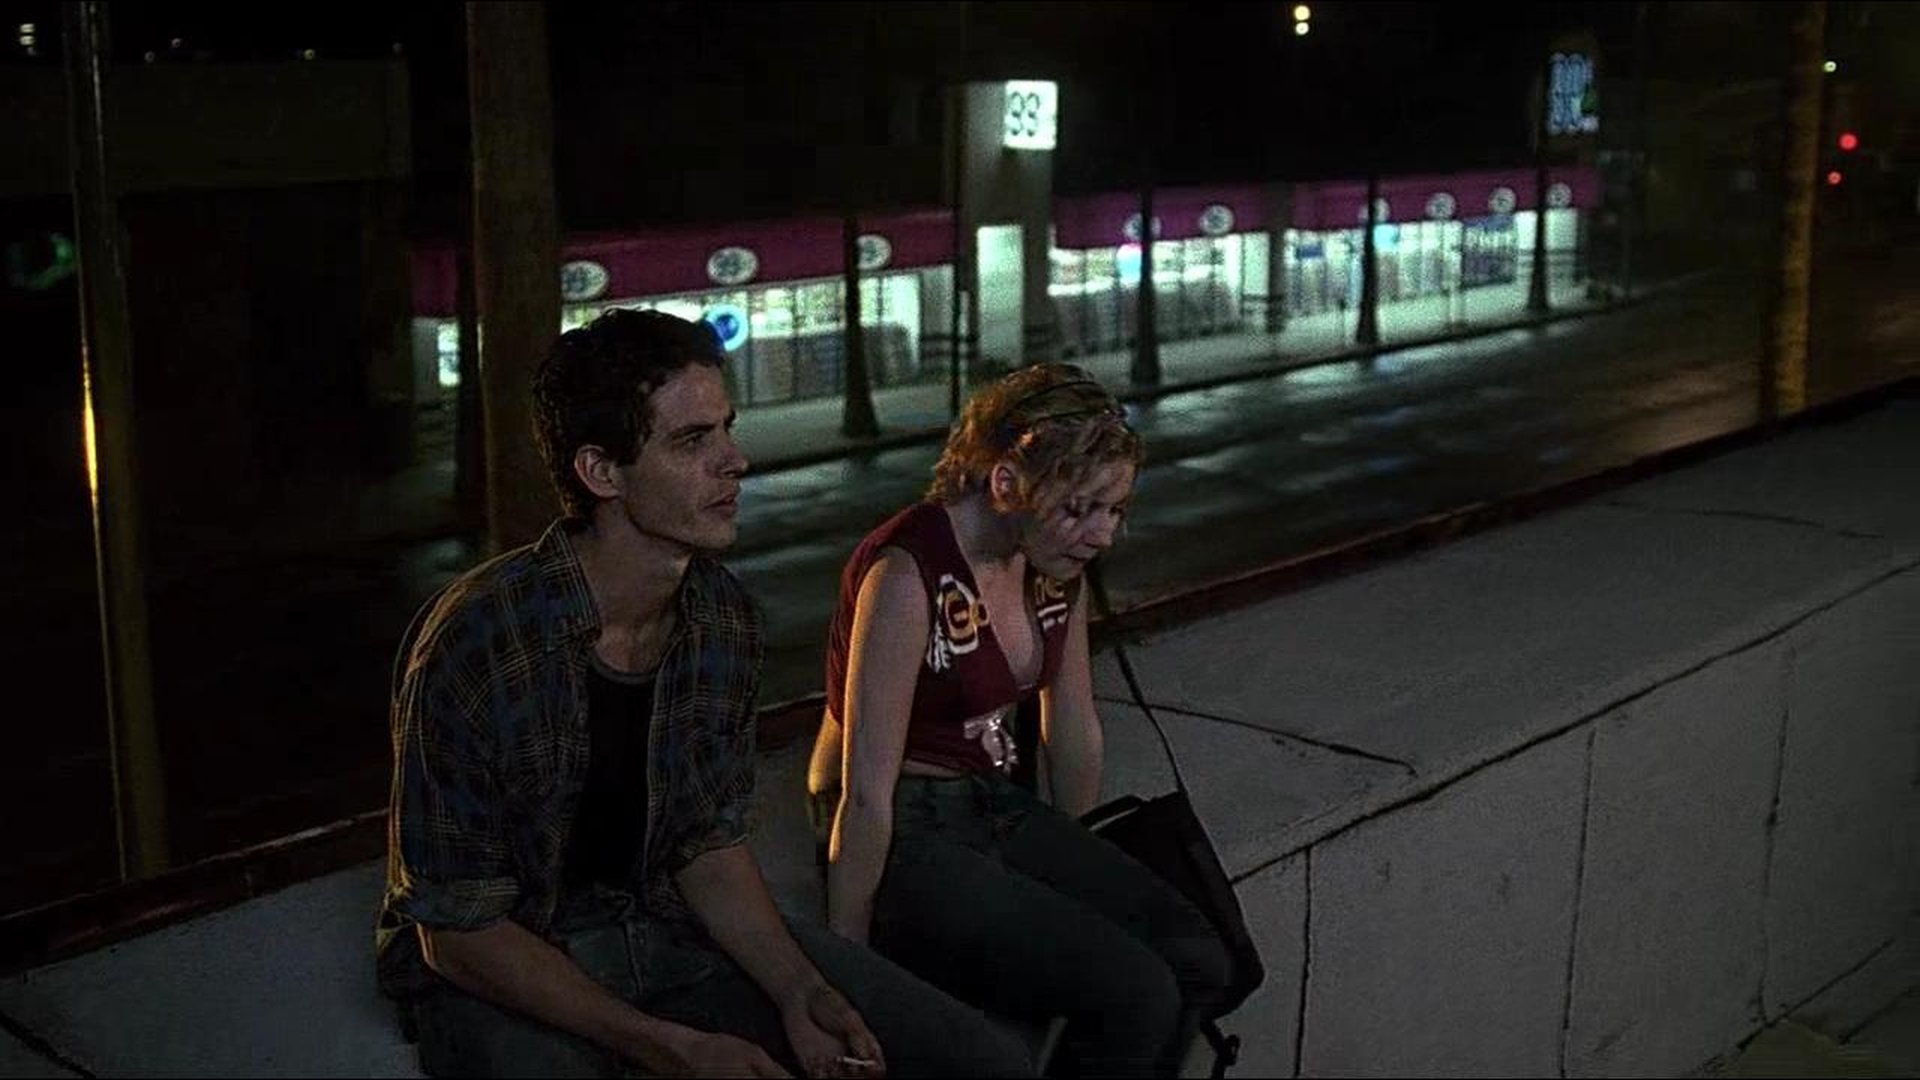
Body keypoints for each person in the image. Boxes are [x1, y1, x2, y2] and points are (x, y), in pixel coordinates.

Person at [378, 310, 1032, 1078]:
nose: (735, 461)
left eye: (727, 429)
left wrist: (799, 990)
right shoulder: (480, 642)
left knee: (979, 1059)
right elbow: (457, 935)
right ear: (602, 473)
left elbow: (704, 842)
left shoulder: (721, 618)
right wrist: (674, 1048)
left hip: (659, 928)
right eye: (692, 441)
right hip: (508, 967)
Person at [808, 363, 1233, 1078]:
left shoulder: (1048, 566)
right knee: (1136, 995)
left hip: (994, 806)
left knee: (1201, 958)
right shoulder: (908, 571)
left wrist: (1074, 865)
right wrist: (848, 967)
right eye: (1079, 508)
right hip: (909, 827)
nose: (1101, 535)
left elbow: (1072, 726)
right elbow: (864, 790)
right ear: (1005, 482)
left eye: (1115, 510)